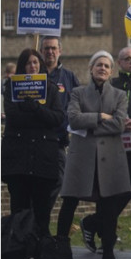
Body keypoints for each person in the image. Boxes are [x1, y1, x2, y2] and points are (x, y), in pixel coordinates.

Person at [80, 47, 131, 253]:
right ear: (120, 63)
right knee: (106, 194)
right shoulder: (111, 85)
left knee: (129, 190)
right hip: (107, 146)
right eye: (128, 59)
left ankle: (93, 223)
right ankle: (107, 237)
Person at [55, 51, 130, 259]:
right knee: (69, 201)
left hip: (109, 158)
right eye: (99, 65)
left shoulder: (119, 96)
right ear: (91, 68)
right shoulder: (78, 93)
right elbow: (73, 119)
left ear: (111, 71)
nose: (103, 69)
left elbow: (119, 124)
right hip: (82, 156)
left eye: (107, 66)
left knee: (108, 204)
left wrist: (92, 125)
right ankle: (61, 244)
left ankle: (108, 249)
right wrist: (100, 117)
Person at [1, 50, 64, 237]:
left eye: (36, 62)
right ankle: (18, 246)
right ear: (22, 66)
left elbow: (58, 118)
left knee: (41, 205)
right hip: (18, 155)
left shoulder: (51, 89)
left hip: (43, 156)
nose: (33, 66)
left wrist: (36, 108)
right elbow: (13, 117)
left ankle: (40, 245)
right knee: (19, 205)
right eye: (28, 63)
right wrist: (37, 116)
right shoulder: (12, 88)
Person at [39, 36, 80, 211]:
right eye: (46, 48)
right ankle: (33, 225)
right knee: (35, 184)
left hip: (58, 141)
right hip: (35, 139)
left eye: (53, 48)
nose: (50, 52)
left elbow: (78, 103)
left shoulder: (69, 76)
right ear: (41, 51)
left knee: (59, 180)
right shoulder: (34, 74)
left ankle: (41, 219)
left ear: (60, 51)